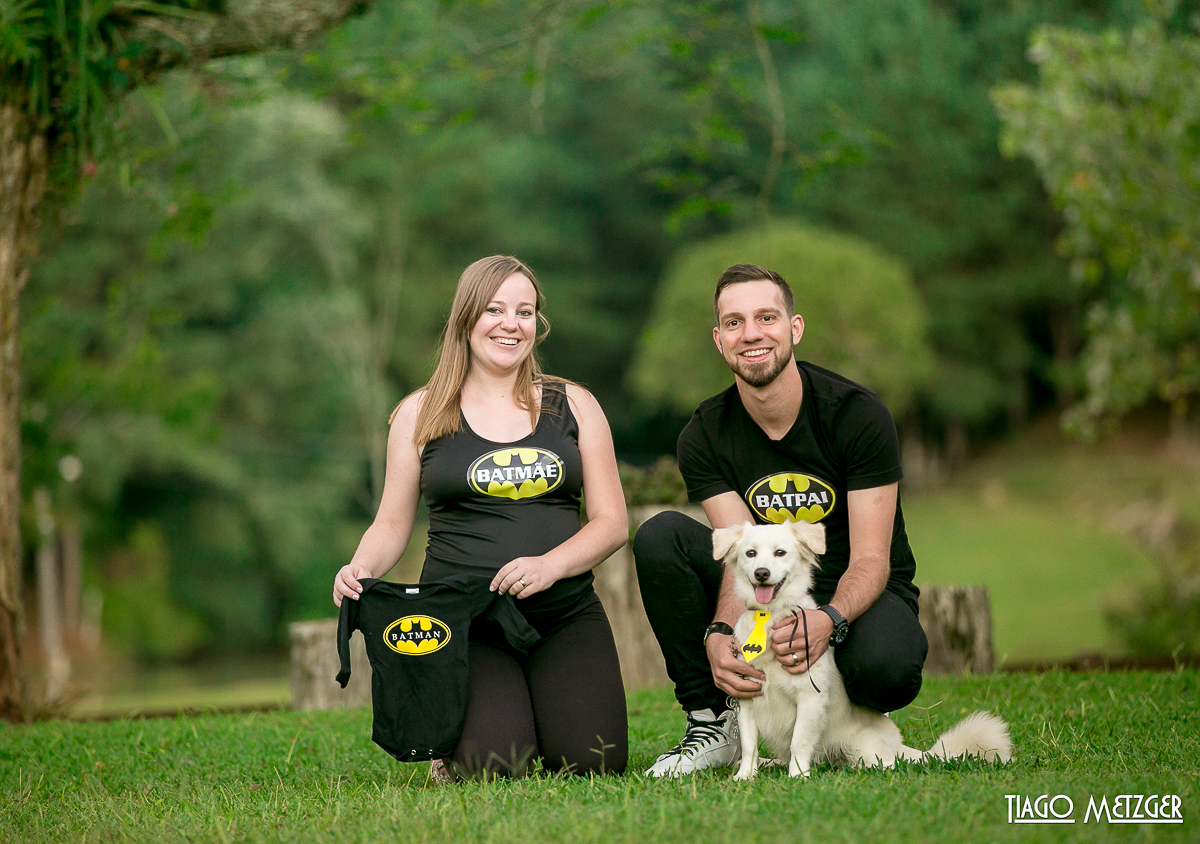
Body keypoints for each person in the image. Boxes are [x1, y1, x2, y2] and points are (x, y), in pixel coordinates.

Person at [333, 255, 629, 779]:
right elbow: (392, 524)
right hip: (466, 625)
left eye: (524, 312)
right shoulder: (419, 413)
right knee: (497, 765)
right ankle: (462, 744)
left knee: (596, 762)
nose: (510, 324)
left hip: (563, 615)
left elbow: (611, 522)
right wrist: (361, 567)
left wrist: (550, 566)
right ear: (466, 318)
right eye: (495, 309)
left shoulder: (575, 404)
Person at [635, 263, 927, 777]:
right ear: (719, 340)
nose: (751, 334)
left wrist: (828, 619)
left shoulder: (858, 415)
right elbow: (738, 559)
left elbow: (871, 559)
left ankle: (846, 715)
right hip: (769, 581)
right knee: (660, 537)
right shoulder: (703, 435)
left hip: (852, 585)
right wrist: (720, 633)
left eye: (766, 317)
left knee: (886, 668)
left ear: (794, 328)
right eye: (734, 322)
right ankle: (715, 721)